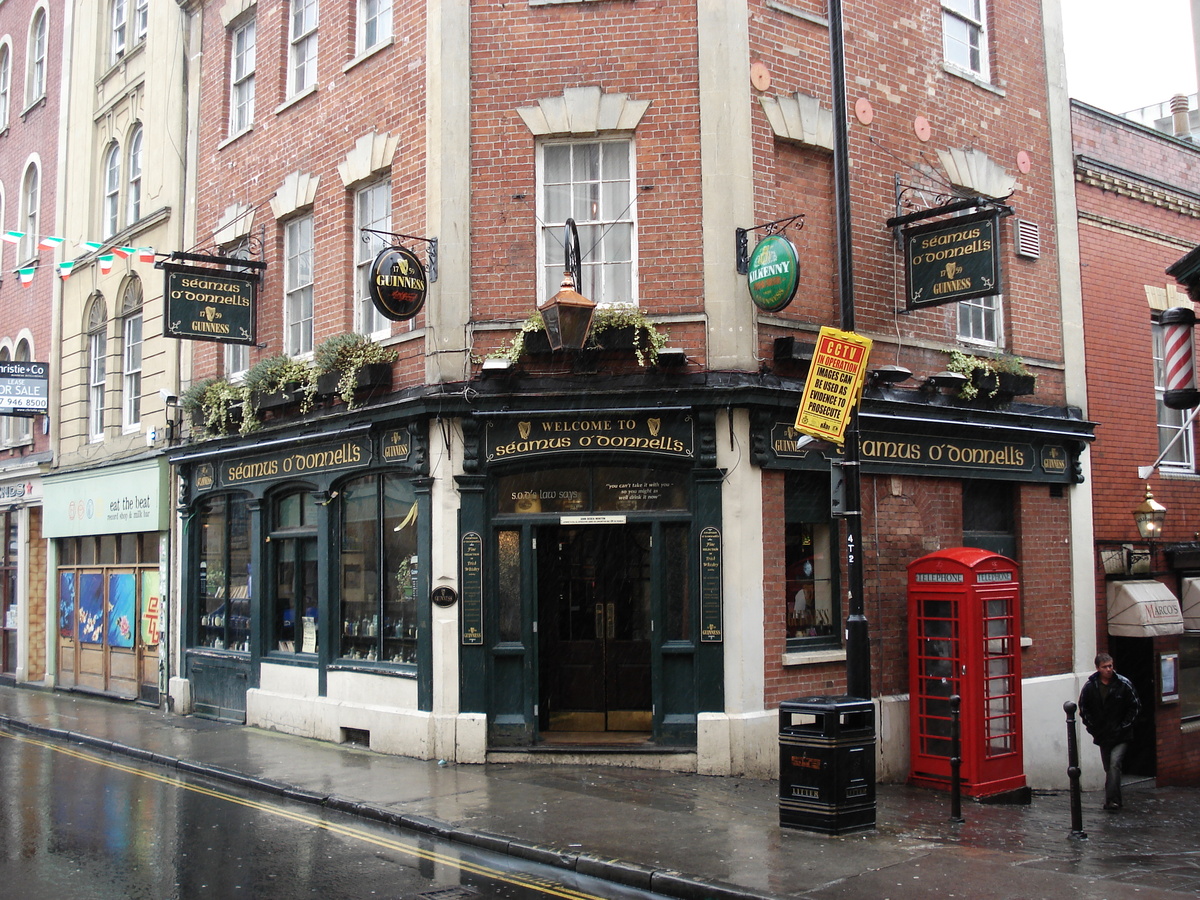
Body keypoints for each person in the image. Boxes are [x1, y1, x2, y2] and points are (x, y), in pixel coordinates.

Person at [1078, 652, 1141, 811]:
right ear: (1098, 668)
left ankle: (1112, 801)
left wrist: (1124, 726)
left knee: (1114, 765)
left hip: (1121, 735)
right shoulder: (1091, 687)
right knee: (1109, 769)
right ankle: (1114, 799)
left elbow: (1135, 706)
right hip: (1103, 735)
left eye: (1110, 666)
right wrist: (1093, 728)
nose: (1109, 669)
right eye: (1105, 667)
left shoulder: (1123, 684)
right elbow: (1084, 709)